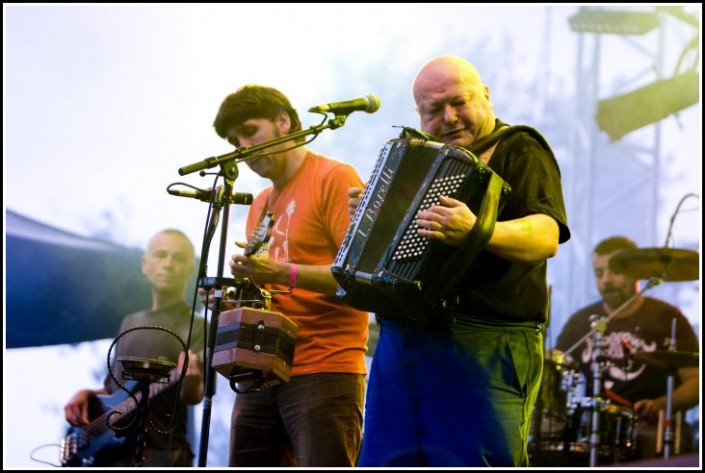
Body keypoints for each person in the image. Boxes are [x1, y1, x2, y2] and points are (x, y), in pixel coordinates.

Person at [348, 55, 571, 467]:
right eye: (434, 110)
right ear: (419, 113)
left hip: (484, 343)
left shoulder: (521, 148)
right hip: (403, 344)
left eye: (460, 102)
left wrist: (479, 230)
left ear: (485, 95)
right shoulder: (416, 155)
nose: (450, 118)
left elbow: (546, 235)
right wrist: (369, 217)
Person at [208, 84, 369, 467]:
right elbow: (269, 293)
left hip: (325, 366)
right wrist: (230, 302)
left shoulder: (334, 177)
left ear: (284, 121)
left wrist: (282, 271)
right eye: (234, 141)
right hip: (260, 369)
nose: (243, 147)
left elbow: (361, 276)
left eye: (250, 131)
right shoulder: (261, 203)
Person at [63, 229, 205, 467]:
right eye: (160, 255)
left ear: (190, 271)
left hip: (163, 454)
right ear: (144, 264)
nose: (168, 264)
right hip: (114, 456)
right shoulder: (129, 322)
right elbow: (114, 390)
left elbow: (195, 395)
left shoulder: (197, 326)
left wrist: (191, 381)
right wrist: (87, 393)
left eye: (178, 258)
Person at [554, 236, 699, 463]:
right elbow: (556, 369)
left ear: (636, 272)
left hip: (650, 430)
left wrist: (660, 404)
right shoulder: (581, 322)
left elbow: (696, 381)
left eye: (615, 270)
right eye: (599, 273)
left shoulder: (667, 317)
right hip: (592, 431)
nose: (607, 280)